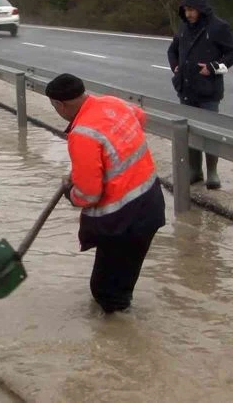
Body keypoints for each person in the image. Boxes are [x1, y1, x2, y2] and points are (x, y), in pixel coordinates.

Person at [46, 73, 166, 314]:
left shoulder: (82, 135)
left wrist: (71, 191)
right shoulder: (113, 102)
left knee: (105, 292)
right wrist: (99, 161)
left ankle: (121, 343)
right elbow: (141, 117)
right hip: (151, 204)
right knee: (122, 282)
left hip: (122, 221)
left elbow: (88, 194)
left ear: (61, 104)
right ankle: (125, 326)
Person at [167, 0, 233, 190]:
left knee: (210, 132)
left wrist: (213, 67)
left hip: (209, 90)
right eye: (186, 10)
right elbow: (172, 50)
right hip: (186, 89)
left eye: (191, 10)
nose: (188, 14)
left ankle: (212, 172)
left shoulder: (218, 27)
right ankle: (194, 171)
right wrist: (175, 67)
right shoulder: (183, 28)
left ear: (200, 9)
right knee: (188, 131)